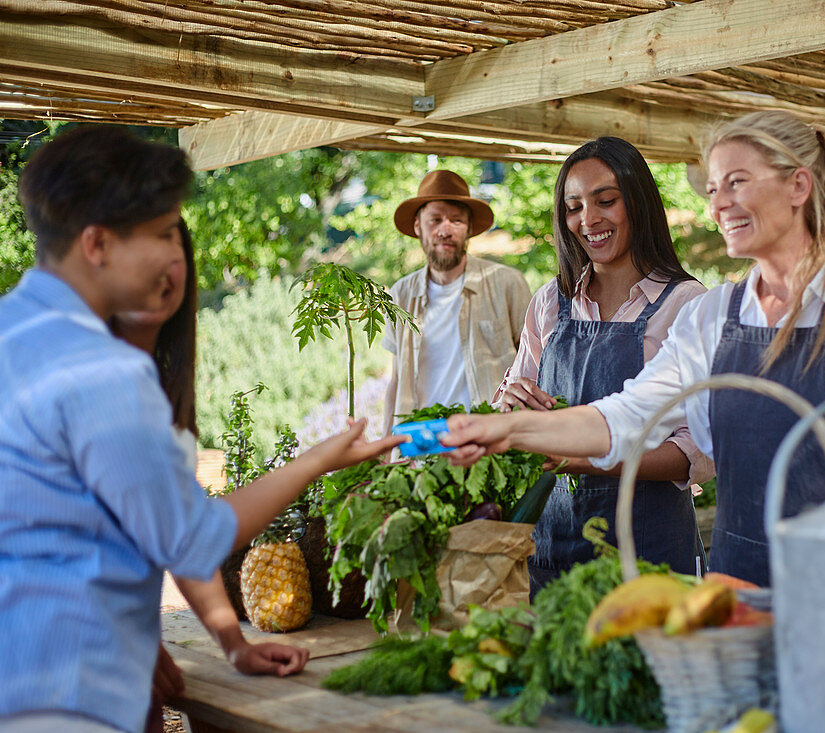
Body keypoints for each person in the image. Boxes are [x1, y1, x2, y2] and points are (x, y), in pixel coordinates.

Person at [441, 111, 825, 588]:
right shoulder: (712, 316)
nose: (718, 204)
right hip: (734, 586)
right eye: (714, 188)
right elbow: (624, 416)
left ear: (798, 186)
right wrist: (505, 429)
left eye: (736, 183)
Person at [0, 126, 403, 732]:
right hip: (67, 695)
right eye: (162, 233)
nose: (174, 255)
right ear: (98, 244)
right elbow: (193, 537)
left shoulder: (15, 334)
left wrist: (217, 642)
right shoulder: (100, 372)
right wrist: (318, 459)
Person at [109, 222, 310, 732]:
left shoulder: (153, 380)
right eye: (146, 241)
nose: (163, 265)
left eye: (173, 244)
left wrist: (233, 644)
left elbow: (179, 534)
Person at [493, 137, 713, 590]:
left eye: (605, 201)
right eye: (573, 206)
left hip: (651, 559)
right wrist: (508, 409)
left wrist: (582, 459)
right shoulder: (549, 303)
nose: (588, 220)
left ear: (638, 202)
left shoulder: (688, 305)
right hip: (553, 552)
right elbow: (515, 421)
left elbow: (699, 453)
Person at [381, 169, 531, 432]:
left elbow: (534, 366)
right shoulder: (400, 295)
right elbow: (396, 380)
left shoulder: (506, 283)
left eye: (456, 220)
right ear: (418, 226)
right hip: (421, 446)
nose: (445, 230)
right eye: (435, 220)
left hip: (491, 442)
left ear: (470, 228)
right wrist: (383, 451)